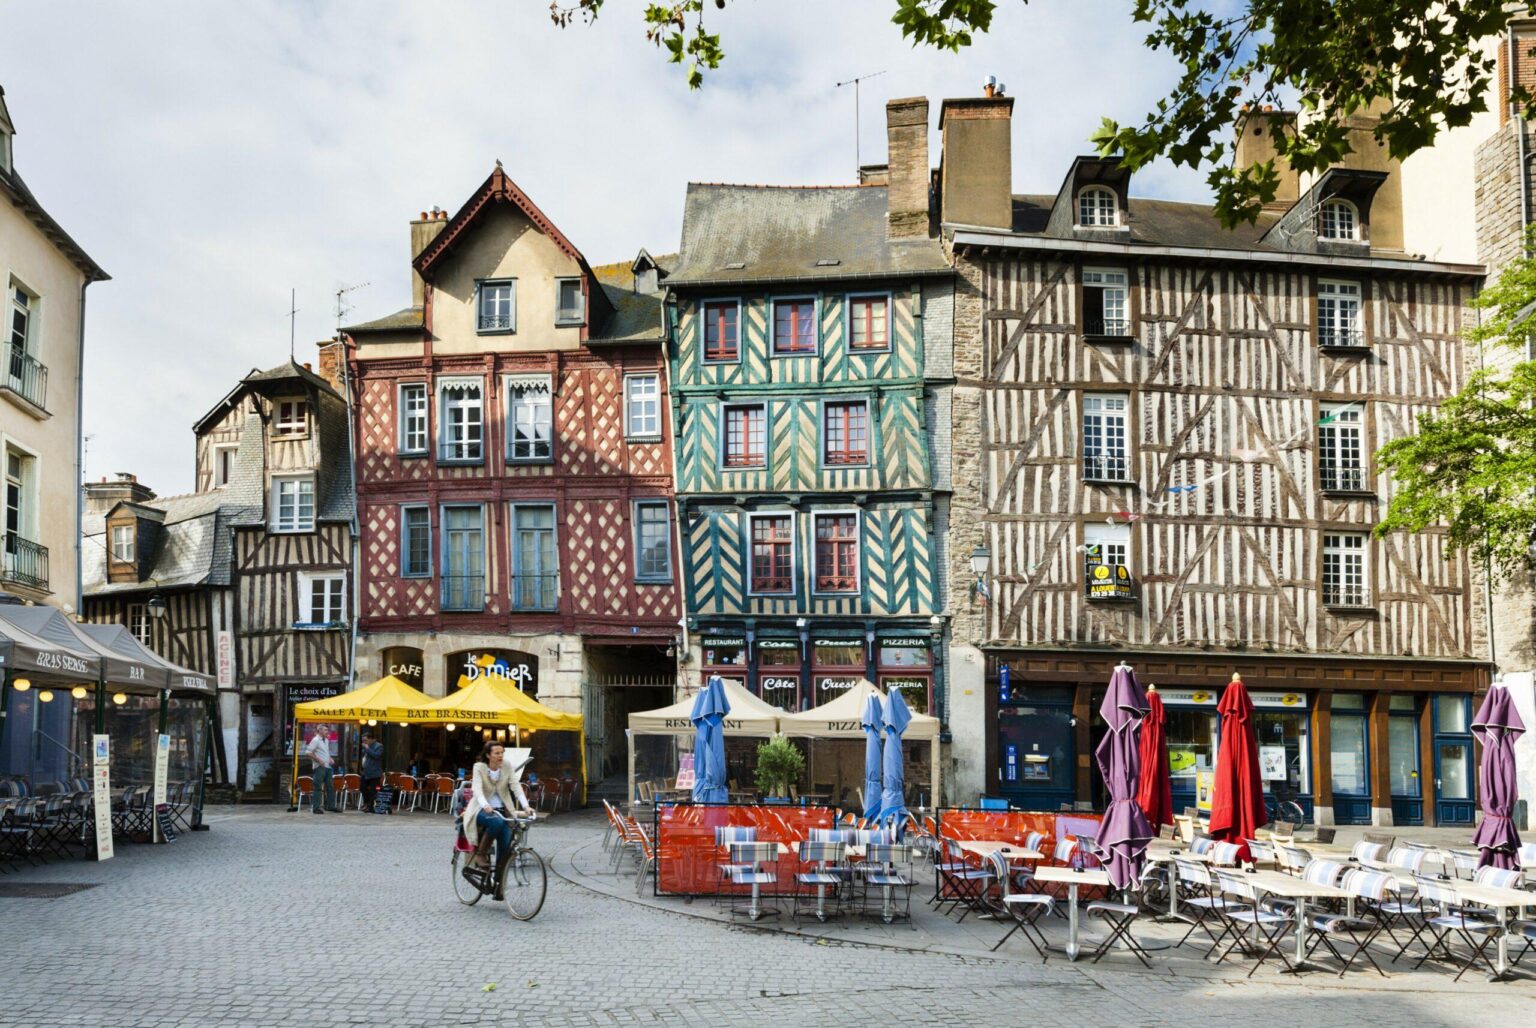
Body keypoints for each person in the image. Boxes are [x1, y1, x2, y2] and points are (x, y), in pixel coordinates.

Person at [461, 742, 535, 870]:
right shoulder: (479, 767)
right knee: (496, 822)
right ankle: (481, 854)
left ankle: (498, 884)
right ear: (488, 755)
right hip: (480, 810)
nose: (500, 756)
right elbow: (477, 789)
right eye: (497, 753)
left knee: (505, 846)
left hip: (502, 810)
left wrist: (526, 806)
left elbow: (515, 786)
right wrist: (485, 805)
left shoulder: (506, 766)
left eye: (502, 753)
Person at [305, 725, 335, 814]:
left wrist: (330, 758)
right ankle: (316, 808)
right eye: (325, 730)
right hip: (319, 767)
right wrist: (318, 760)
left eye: (327, 730)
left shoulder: (326, 740)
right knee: (318, 787)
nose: (327, 731)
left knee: (330, 787)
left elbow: (325, 752)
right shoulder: (315, 740)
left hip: (328, 767)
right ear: (319, 730)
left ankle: (331, 806)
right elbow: (308, 752)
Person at [360, 731, 384, 812]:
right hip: (366, 772)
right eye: (363, 741)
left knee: (373, 790)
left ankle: (370, 807)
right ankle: (366, 803)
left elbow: (376, 755)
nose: (364, 742)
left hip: (375, 772)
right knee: (362, 787)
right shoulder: (367, 746)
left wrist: (367, 748)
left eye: (365, 740)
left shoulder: (379, 746)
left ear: (371, 739)